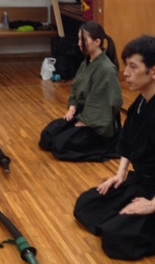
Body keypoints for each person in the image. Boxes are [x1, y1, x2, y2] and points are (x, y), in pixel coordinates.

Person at [74, 35, 155, 260]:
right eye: (127, 66)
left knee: (117, 238)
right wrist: (121, 173)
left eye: (133, 67)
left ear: (154, 72)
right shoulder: (143, 99)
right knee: (86, 205)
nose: (125, 73)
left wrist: (154, 204)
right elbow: (127, 138)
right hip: (143, 181)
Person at [39, 21, 123, 162]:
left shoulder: (106, 69)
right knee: (47, 136)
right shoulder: (87, 61)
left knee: (59, 145)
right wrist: (72, 107)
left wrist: (86, 121)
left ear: (97, 42)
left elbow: (106, 103)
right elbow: (76, 86)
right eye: (79, 39)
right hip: (82, 113)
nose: (79, 43)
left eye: (83, 40)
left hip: (99, 122)